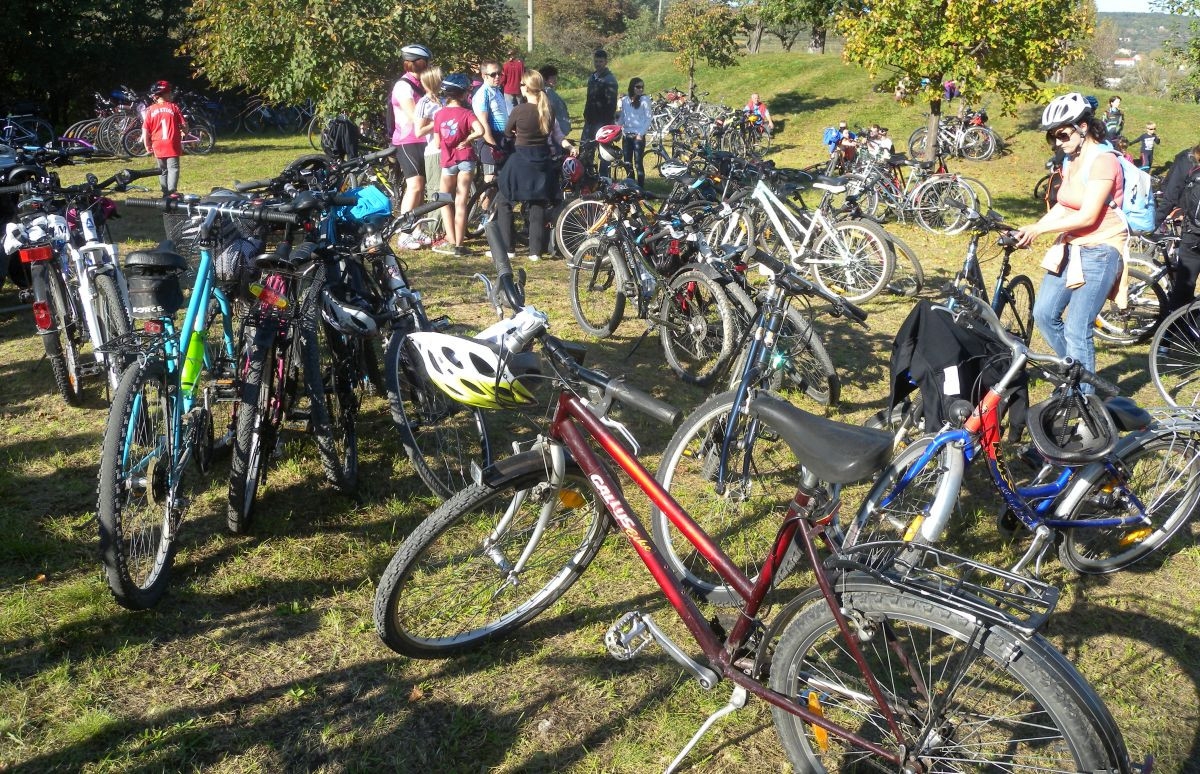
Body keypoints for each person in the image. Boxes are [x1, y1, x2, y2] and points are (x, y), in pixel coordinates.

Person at [1013, 93, 1127, 388]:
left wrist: (1040, 232)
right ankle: (1075, 373)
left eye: (1062, 134)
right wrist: (1032, 227)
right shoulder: (1069, 161)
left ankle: (1083, 404)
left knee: (1078, 326)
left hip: (1101, 249)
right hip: (1071, 246)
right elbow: (1065, 205)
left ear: (1083, 127)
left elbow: (1089, 216)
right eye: (1052, 138)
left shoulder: (1104, 161)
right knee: (1044, 314)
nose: (1057, 142)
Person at [496, 71, 575, 262]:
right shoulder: (548, 110)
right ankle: (535, 251)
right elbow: (557, 135)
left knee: (504, 201)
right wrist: (570, 146)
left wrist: (513, 135)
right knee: (537, 204)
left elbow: (507, 135)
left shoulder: (519, 110)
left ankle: (508, 248)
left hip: (521, 160)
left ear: (525, 87)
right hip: (542, 161)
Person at [433, 74, 484, 257]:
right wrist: (468, 138)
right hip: (466, 159)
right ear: (463, 94)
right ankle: (460, 245)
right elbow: (481, 130)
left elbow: (438, 143)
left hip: (448, 161)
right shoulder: (467, 114)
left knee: (444, 200)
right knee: (461, 201)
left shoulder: (439, 115)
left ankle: (452, 239)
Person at [390, 43, 433, 249]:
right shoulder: (403, 86)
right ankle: (404, 233)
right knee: (414, 186)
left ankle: (417, 229)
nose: (428, 66)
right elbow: (415, 116)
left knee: (421, 188)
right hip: (407, 141)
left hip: (424, 141)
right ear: (417, 63)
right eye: (426, 62)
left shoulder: (423, 84)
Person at [1154, 143, 1200, 310]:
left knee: (1183, 287)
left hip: (1192, 233)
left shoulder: (1185, 159)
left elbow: (1170, 195)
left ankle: (1171, 330)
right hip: (1191, 228)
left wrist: (1154, 225)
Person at [472, 59, 510, 216]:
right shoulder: (483, 94)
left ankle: (493, 213)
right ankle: (484, 216)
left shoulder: (497, 90)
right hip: (489, 139)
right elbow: (483, 124)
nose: (497, 77)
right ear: (483, 75)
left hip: (502, 137)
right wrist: (492, 145)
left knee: (499, 180)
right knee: (490, 179)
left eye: (499, 73)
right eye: (493, 74)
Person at [413, 67, 445, 248]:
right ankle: (433, 232)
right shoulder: (424, 103)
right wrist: (437, 123)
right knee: (436, 191)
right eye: (440, 79)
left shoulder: (444, 99)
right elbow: (419, 131)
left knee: (448, 192)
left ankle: (443, 231)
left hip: (449, 151)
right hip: (434, 152)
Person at [141, 80, 185, 196]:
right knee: (173, 168)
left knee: (162, 170)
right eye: (169, 93)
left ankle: (165, 192)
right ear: (164, 94)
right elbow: (184, 125)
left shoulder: (150, 110)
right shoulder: (173, 107)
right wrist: (185, 131)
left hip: (158, 144)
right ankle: (172, 191)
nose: (171, 95)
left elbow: (145, 129)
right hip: (172, 143)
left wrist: (147, 144)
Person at [582, 49, 618, 175]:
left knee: (604, 152)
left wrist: (607, 125)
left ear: (606, 62)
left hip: (603, 122)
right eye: (596, 61)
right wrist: (586, 114)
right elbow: (589, 98)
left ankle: (604, 180)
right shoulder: (592, 77)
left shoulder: (610, 80)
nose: (598, 64)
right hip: (590, 120)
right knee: (586, 149)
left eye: (600, 61)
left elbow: (611, 104)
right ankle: (587, 177)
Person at [617, 78, 651, 186]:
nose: (640, 89)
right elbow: (623, 117)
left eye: (642, 87)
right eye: (638, 87)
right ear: (632, 87)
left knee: (638, 164)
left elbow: (648, 118)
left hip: (638, 136)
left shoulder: (645, 100)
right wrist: (616, 128)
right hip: (627, 135)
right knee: (627, 163)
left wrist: (641, 134)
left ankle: (640, 188)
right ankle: (630, 185)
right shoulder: (625, 100)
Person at [539, 64, 572, 139]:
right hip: (555, 131)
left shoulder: (550, 91)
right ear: (544, 79)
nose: (555, 79)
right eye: (552, 78)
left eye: (555, 77)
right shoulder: (547, 92)